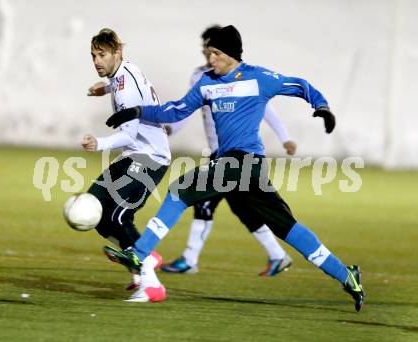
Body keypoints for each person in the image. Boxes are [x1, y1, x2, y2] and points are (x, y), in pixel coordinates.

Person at [104, 25, 365, 311]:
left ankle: (140, 254)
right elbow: (177, 110)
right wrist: (139, 112)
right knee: (286, 227)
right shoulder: (206, 82)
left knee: (180, 190)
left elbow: (299, 84)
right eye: (209, 53)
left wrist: (322, 106)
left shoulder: (258, 78)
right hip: (236, 165)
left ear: (231, 54)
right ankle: (346, 274)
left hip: (244, 162)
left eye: (215, 53)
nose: (210, 59)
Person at [162, 25, 296, 276]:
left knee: (202, 202)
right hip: (221, 154)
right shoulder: (200, 76)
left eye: (211, 47)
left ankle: (189, 259)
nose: (207, 52)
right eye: (205, 46)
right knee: (243, 208)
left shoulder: (241, 76)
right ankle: (278, 255)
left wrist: (285, 137)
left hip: (233, 158)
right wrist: (170, 130)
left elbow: (266, 107)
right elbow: (186, 110)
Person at [81, 28, 169, 302]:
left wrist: (99, 144)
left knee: (118, 216)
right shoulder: (126, 70)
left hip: (149, 157)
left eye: (102, 54)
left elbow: (128, 135)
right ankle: (141, 259)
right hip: (134, 155)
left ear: (117, 53)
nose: (97, 61)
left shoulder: (125, 89)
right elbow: (122, 83)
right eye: (94, 55)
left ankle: (150, 282)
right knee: (95, 209)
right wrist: (104, 86)